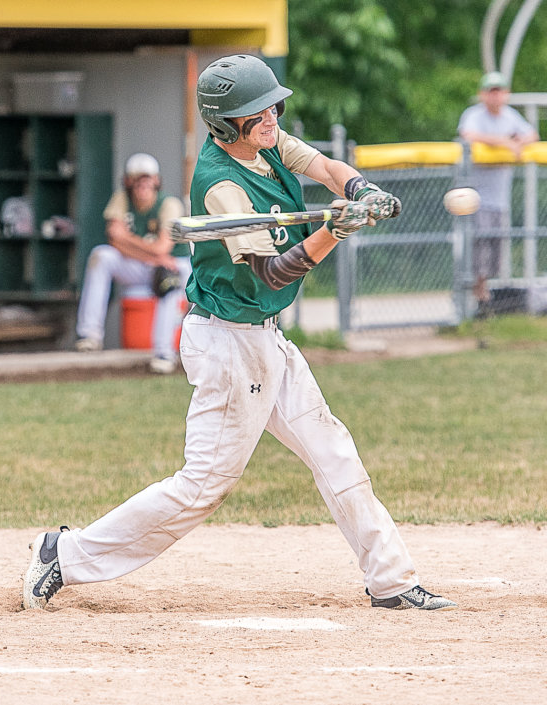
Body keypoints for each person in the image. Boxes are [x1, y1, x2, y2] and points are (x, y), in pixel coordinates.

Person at [23, 54, 456, 613]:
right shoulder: (221, 186)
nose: (271, 117)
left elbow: (326, 168)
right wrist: (334, 230)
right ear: (227, 124)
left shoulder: (266, 143)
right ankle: (66, 554)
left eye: (273, 107)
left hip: (264, 337)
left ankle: (391, 579)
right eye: (258, 111)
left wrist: (362, 189)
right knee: (202, 486)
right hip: (229, 344)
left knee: (334, 452)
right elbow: (272, 272)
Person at [75, 153, 192, 374]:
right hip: (144, 263)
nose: (142, 186)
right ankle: (89, 335)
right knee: (101, 255)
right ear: (128, 182)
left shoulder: (168, 203)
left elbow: (162, 248)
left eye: (147, 180)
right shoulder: (122, 198)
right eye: (137, 180)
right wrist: (149, 254)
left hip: (176, 265)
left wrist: (127, 240)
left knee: (169, 279)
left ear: (156, 181)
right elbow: (113, 239)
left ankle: (164, 353)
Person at [457, 71, 539, 309]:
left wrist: (517, 142)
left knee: (495, 255)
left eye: (499, 91)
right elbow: (468, 135)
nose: (495, 96)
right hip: (475, 199)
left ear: (506, 94)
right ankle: (476, 299)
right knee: (479, 254)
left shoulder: (510, 116)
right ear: (482, 94)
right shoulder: (473, 115)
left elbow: (532, 135)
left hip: (500, 199)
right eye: (491, 91)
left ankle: (485, 300)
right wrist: (505, 141)